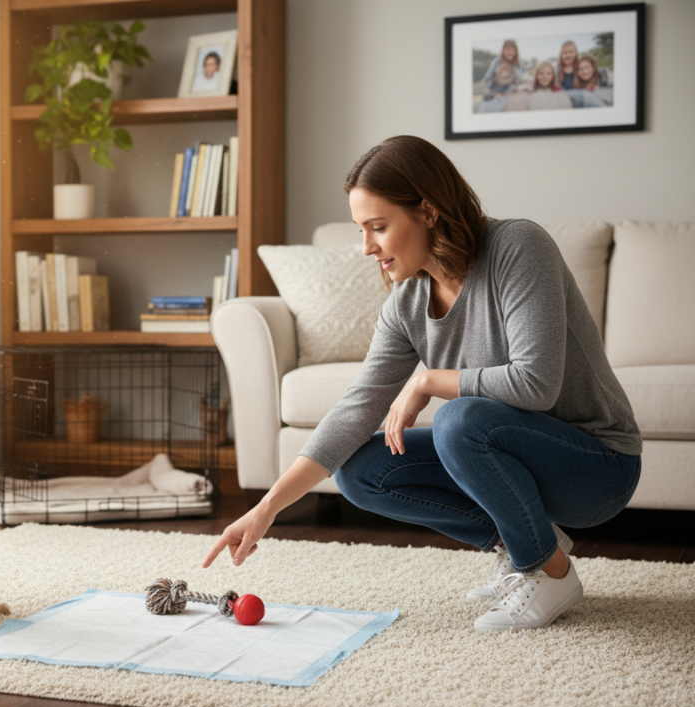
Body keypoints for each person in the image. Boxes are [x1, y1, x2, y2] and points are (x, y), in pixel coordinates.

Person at [203, 135, 642, 633]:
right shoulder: (407, 304)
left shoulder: (518, 246)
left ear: (428, 212)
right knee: (361, 470)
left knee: (458, 420)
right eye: (362, 230)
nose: (366, 247)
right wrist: (266, 509)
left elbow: (535, 384)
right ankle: (528, 542)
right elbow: (355, 409)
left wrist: (429, 380)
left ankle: (550, 572)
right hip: (522, 460)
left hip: (597, 467)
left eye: (378, 227)